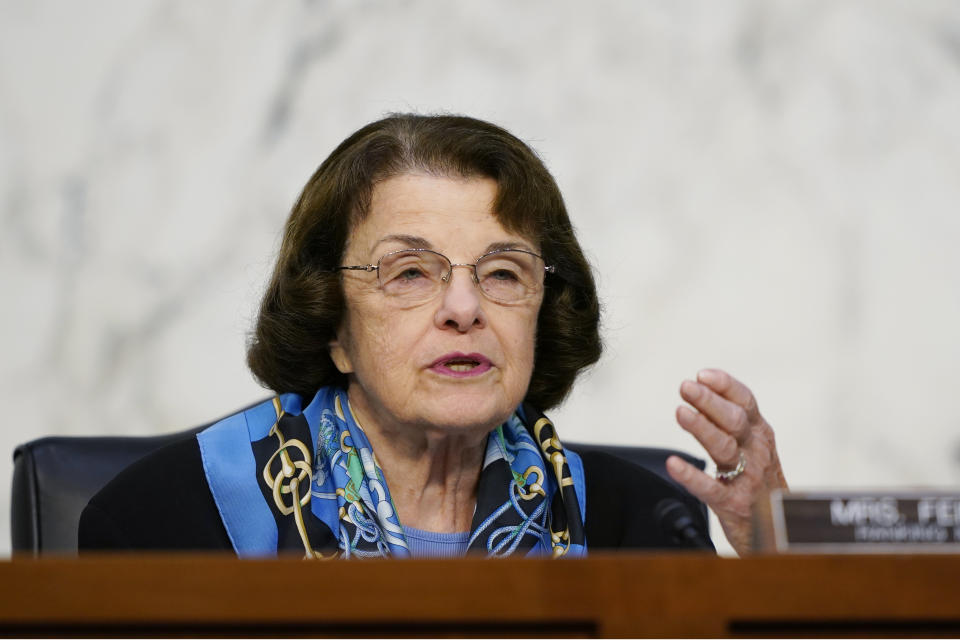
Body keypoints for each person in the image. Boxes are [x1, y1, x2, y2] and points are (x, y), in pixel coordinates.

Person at [79, 114, 787, 557]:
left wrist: (776, 556)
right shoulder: (170, 521)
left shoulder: (638, 525)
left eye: (504, 274)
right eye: (410, 273)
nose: (463, 307)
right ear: (335, 327)